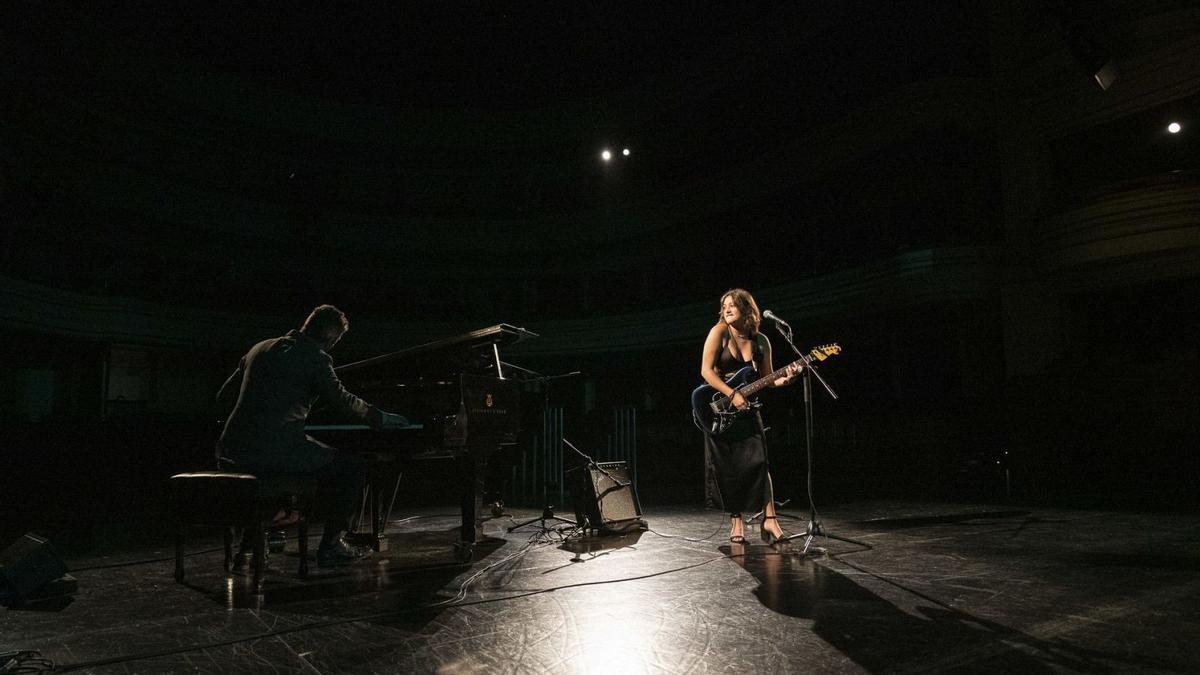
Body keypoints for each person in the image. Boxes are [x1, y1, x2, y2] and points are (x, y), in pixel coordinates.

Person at [216, 304, 407, 567]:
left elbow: (224, 397)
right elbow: (342, 401)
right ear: (332, 338)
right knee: (352, 467)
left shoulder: (259, 348)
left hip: (229, 450)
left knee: (289, 468)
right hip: (275, 451)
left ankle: (248, 549)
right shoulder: (317, 358)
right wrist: (380, 417)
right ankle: (331, 545)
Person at [700, 289, 800, 545]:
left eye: (733, 305)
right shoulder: (719, 333)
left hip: (748, 410)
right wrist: (731, 393)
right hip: (720, 408)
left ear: (746, 308)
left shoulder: (761, 341)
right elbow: (706, 372)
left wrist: (785, 379)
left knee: (760, 463)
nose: (727, 309)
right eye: (724, 306)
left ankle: (771, 520)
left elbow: (769, 377)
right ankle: (736, 521)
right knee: (728, 467)